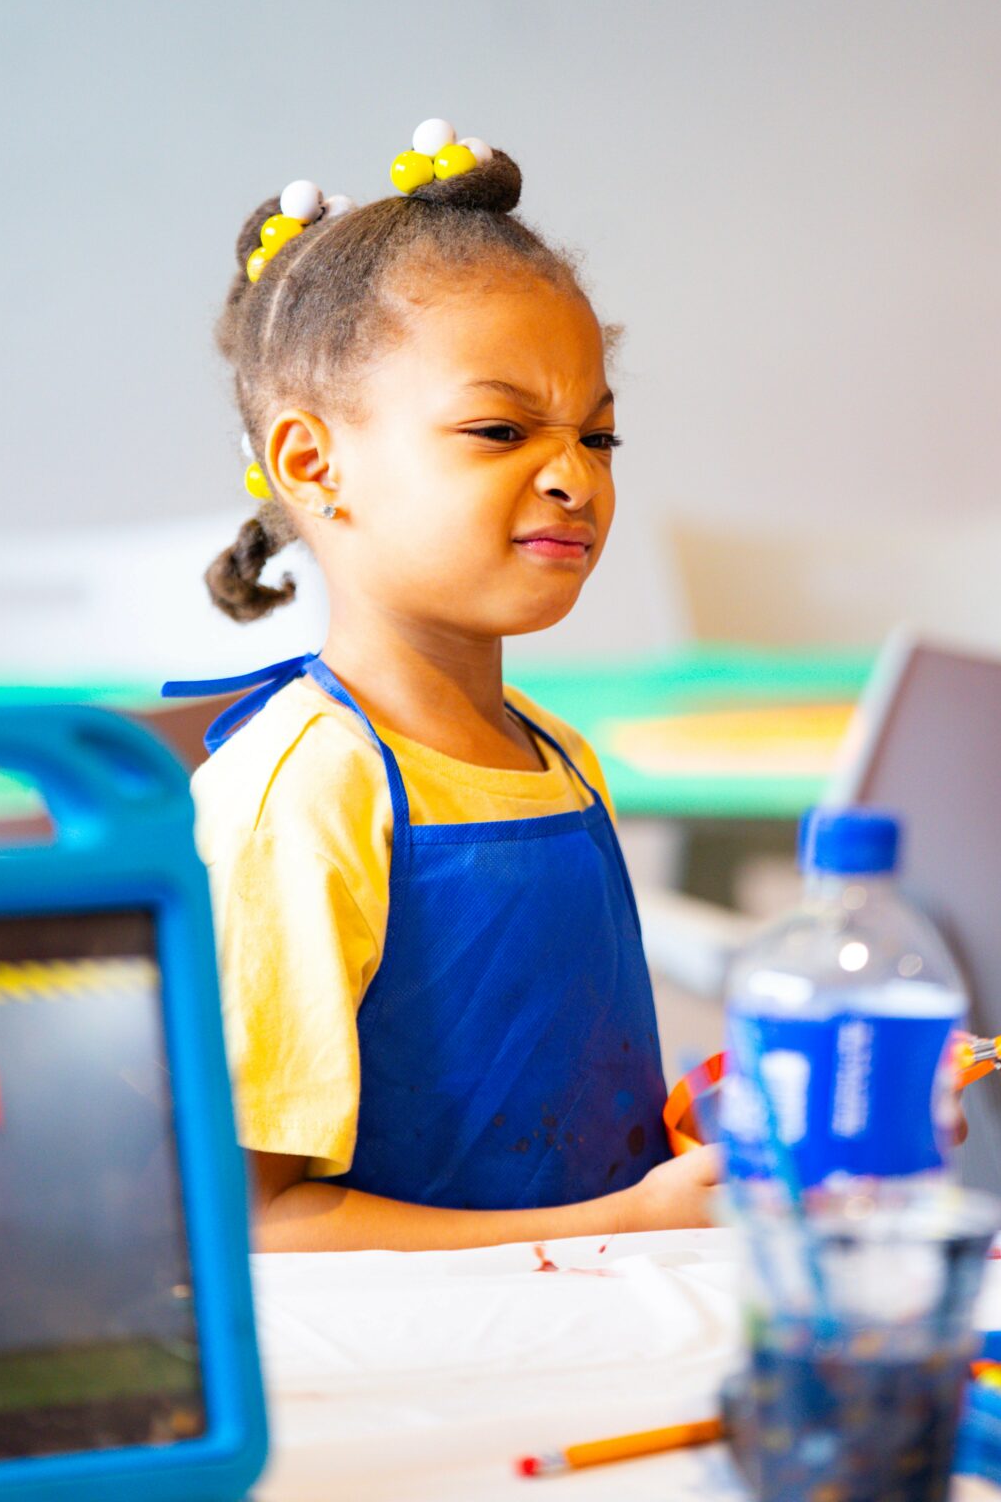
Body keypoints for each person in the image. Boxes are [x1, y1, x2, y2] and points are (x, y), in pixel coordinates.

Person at [167, 122, 718, 1251]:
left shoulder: (561, 758)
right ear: (314, 462)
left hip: (592, 1320)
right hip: (430, 1371)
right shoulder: (306, 792)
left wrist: (725, 1124)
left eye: (598, 435)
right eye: (501, 428)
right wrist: (629, 1218)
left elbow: (575, 1120)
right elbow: (253, 1222)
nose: (573, 475)